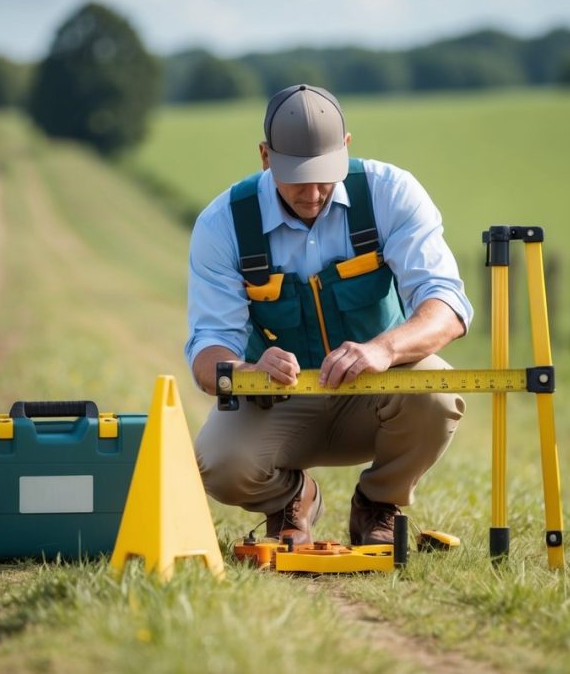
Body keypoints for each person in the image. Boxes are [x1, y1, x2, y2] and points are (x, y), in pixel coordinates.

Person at [186, 84, 473, 547]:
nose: (315, 192)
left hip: (378, 390)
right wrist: (247, 372)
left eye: (326, 174)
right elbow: (207, 350)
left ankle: (378, 504)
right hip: (278, 402)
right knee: (219, 462)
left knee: (436, 392)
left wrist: (384, 350)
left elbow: (447, 305)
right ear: (265, 156)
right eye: (298, 176)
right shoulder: (223, 224)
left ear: (347, 147)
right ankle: (291, 501)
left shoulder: (391, 193)